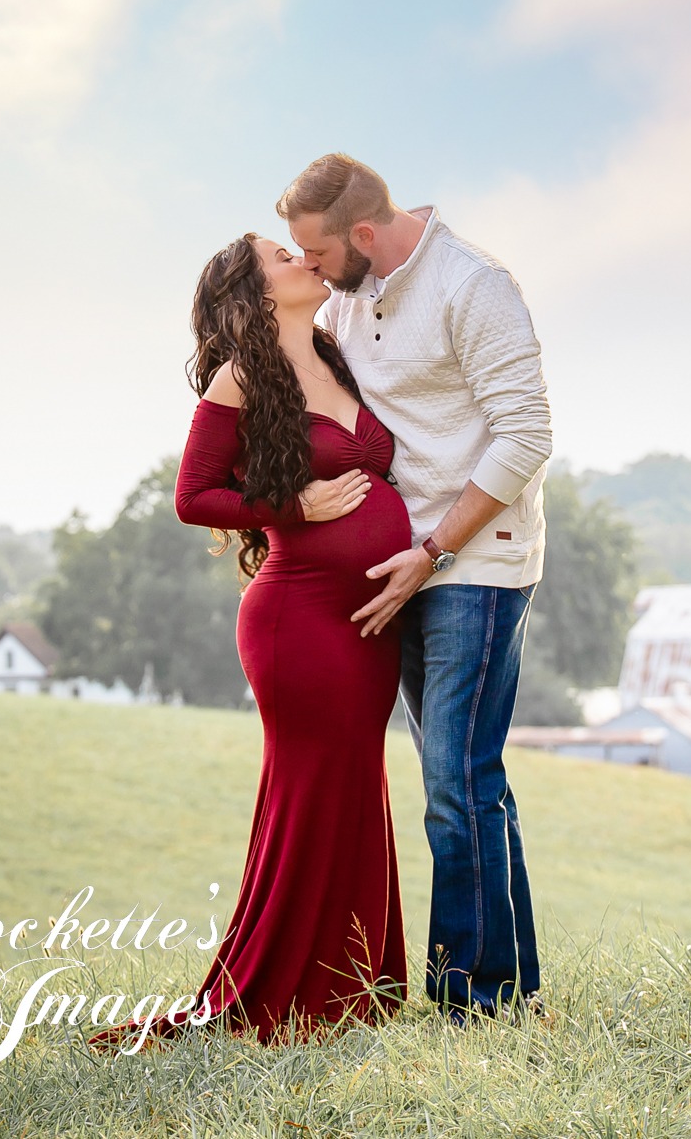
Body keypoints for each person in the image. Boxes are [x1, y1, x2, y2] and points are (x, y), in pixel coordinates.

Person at [104, 231, 411, 1045]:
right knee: (313, 790)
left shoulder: (340, 358)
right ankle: (284, 992)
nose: (304, 257)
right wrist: (293, 509)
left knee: (353, 784)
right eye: (282, 256)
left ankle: (354, 992)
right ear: (257, 293)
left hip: (368, 620)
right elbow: (193, 496)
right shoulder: (244, 378)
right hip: (299, 620)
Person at [276, 152, 552, 1020]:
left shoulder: (473, 285)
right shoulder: (352, 296)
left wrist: (433, 550)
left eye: (316, 256)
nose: (311, 274)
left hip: (477, 561)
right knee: (472, 783)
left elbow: (527, 434)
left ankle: (469, 1001)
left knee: (454, 783)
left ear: (362, 233)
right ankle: (511, 991)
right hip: (402, 569)